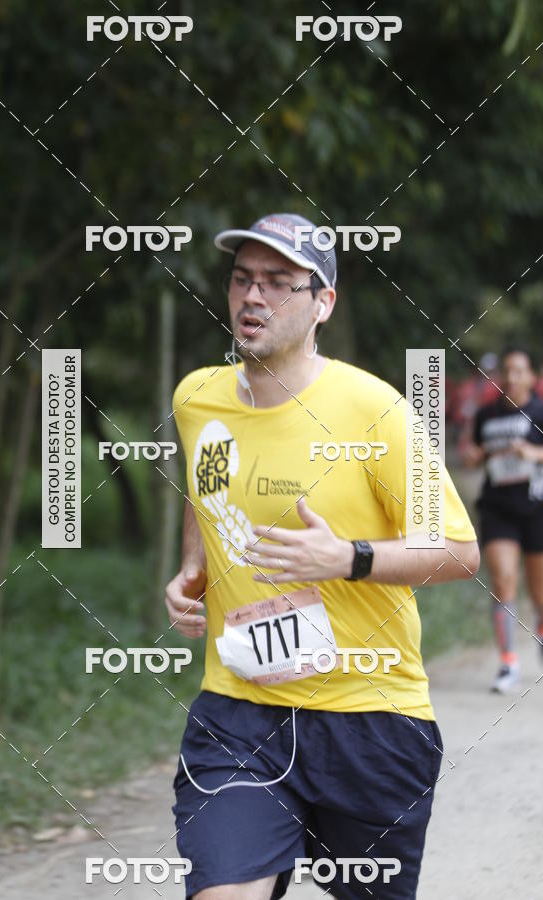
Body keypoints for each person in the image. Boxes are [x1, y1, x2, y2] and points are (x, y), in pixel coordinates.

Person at [165, 212, 480, 900]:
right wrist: (198, 566)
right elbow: (207, 483)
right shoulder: (197, 397)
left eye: (278, 284)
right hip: (240, 710)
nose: (254, 297)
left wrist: (349, 558)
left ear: (323, 303)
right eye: (243, 279)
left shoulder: (375, 411)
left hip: (372, 718)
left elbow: (460, 552)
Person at [462, 347, 543, 693]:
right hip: (497, 508)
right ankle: (508, 661)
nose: (512, 377)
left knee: (540, 595)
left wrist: (535, 453)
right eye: (506, 371)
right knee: (504, 579)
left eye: (519, 371)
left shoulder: (540, 410)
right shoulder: (485, 416)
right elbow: (471, 456)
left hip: (537, 507)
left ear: (531, 377)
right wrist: (473, 456)